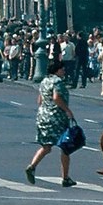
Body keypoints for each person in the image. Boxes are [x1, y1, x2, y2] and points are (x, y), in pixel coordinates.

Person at [24, 58, 76, 187]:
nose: (64, 71)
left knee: (46, 147)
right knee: (65, 146)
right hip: (57, 117)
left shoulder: (44, 81)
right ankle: (65, 177)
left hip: (43, 116)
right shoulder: (57, 82)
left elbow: (39, 100)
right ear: (57, 70)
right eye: (62, 69)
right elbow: (56, 97)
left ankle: (32, 166)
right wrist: (67, 110)